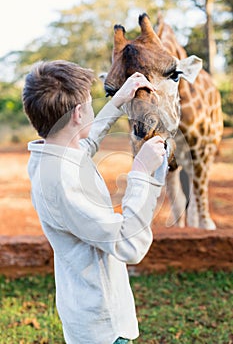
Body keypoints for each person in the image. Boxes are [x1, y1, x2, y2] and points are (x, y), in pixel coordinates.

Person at [23, 60, 168, 344]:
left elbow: (82, 145)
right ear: (78, 114)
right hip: (102, 327)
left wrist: (117, 103)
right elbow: (130, 244)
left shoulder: (50, 156)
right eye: (90, 103)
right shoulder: (63, 182)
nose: (92, 108)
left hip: (84, 311)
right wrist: (140, 172)